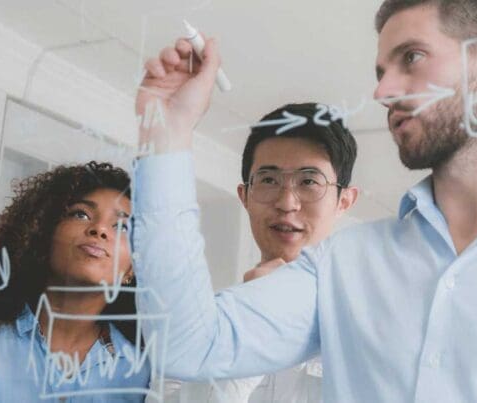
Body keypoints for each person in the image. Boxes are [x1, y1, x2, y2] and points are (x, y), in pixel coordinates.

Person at [132, 1, 477, 401]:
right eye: (380, 71)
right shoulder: (342, 267)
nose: (382, 90)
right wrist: (168, 131)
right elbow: (185, 344)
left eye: (412, 58)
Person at [151, 103, 358, 403]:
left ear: (344, 202)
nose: (287, 203)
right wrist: (255, 321)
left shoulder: (370, 332)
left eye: (309, 182)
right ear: (245, 196)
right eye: (269, 180)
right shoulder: (191, 331)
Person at [0, 161, 151, 402]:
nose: (100, 230)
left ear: (133, 269)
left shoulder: (140, 375)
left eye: (122, 226)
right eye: (80, 214)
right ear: (42, 233)